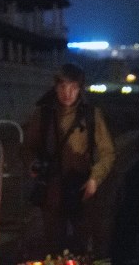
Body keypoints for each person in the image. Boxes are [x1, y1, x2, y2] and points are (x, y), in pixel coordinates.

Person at [21, 63, 116, 255]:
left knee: (84, 244)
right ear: (55, 87)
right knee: (52, 246)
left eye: (73, 87)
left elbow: (108, 152)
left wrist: (94, 180)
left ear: (80, 89)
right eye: (63, 87)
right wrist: (33, 164)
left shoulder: (91, 114)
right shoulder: (43, 113)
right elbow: (28, 148)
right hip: (51, 189)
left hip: (82, 188)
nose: (67, 93)